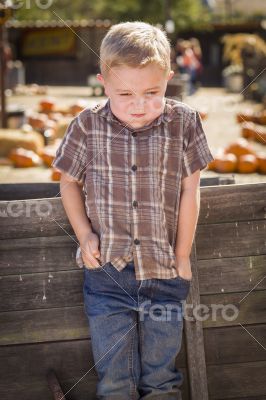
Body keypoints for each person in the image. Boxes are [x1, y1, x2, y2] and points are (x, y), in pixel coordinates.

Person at [52, 21, 214, 399]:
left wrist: (183, 255)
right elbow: (68, 182)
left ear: (169, 79)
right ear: (102, 83)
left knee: (161, 379)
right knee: (114, 381)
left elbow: (191, 189)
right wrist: (84, 234)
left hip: (165, 271)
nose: (139, 104)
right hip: (107, 272)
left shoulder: (184, 123)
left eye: (152, 92)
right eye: (124, 93)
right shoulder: (87, 125)